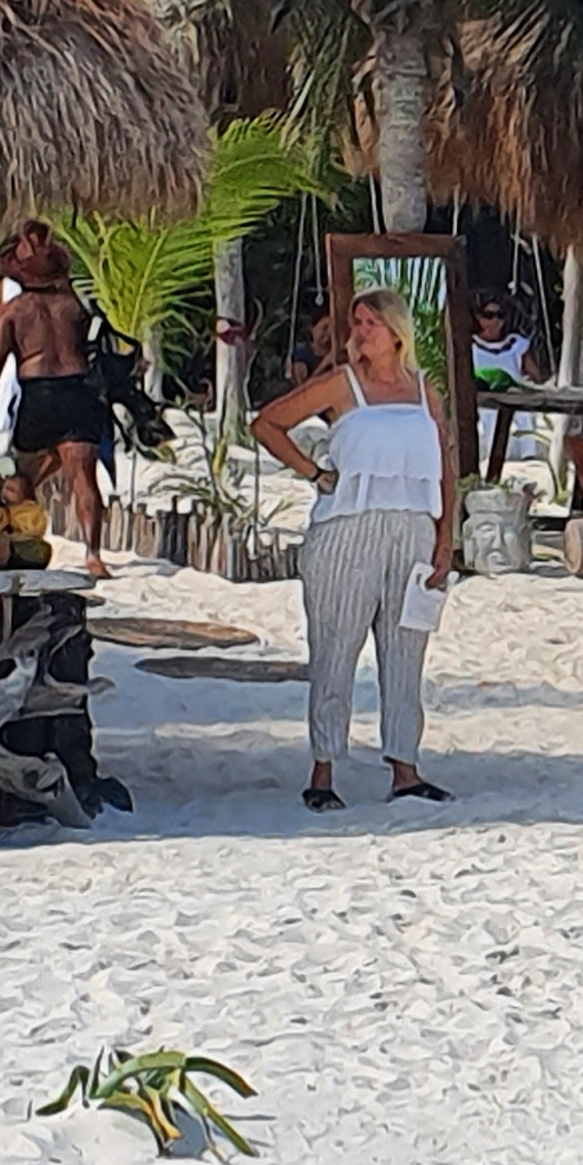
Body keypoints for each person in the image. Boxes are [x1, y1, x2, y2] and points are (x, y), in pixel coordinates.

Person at [250, 287, 453, 811]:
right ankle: (322, 770)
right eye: (356, 323)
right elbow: (267, 423)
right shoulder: (342, 384)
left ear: (396, 331)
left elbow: (444, 463)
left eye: (370, 323)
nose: (359, 332)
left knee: (406, 651)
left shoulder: (424, 391)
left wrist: (445, 537)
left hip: (413, 527)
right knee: (335, 650)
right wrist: (314, 472)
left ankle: (405, 768)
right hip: (347, 527)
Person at [0, 222, 113, 574]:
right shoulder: (74, 307)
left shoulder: (15, 311)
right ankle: (93, 555)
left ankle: (25, 544)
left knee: (20, 479)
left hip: (39, 395)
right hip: (78, 391)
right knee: (84, 478)